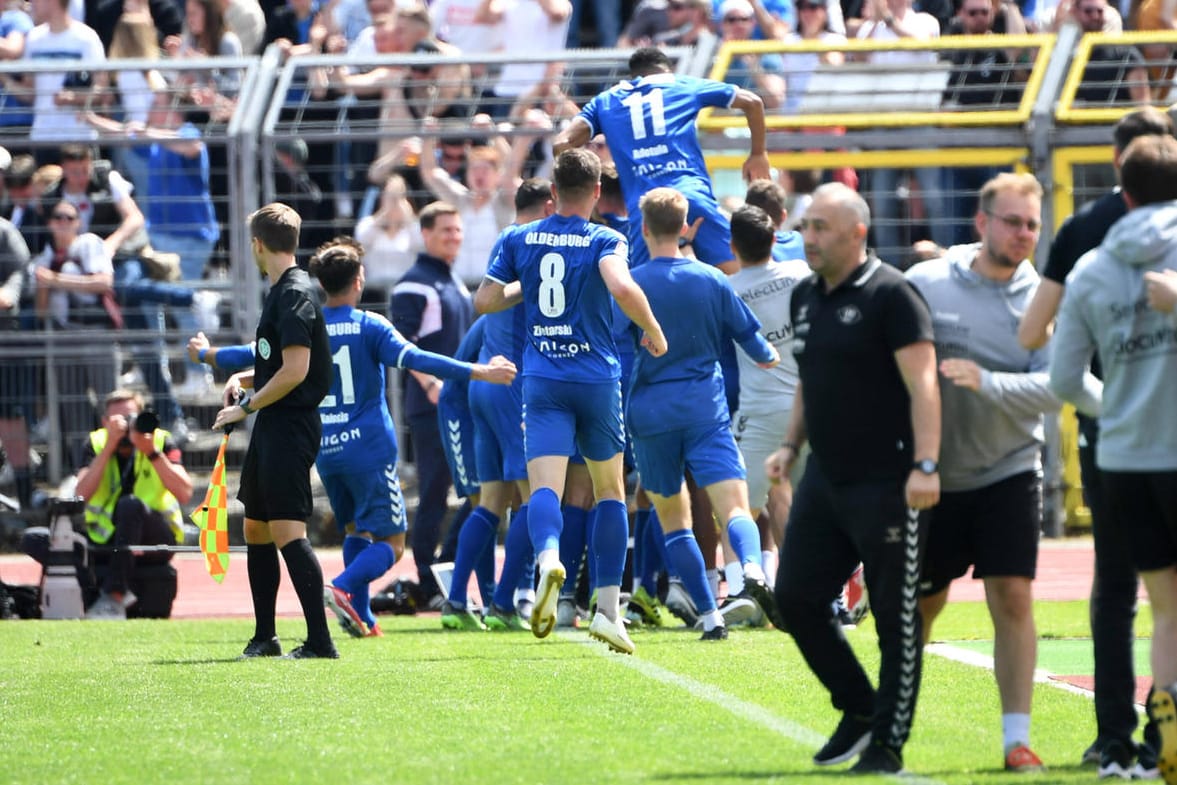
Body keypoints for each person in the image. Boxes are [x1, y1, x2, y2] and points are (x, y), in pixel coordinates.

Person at [906, 173, 1100, 772]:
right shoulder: (925, 283)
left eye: (1032, 224)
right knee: (924, 606)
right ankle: (892, 723)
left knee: (1013, 598)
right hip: (936, 474)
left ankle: (1017, 739)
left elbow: (1057, 385)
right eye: (1012, 221)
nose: (1023, 233)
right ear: (981, 222)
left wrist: (988, 382)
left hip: (1010, 470)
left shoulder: (1044, 297)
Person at [765, 182, 940, 775]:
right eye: (806, 225)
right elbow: (810, 382)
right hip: (825, 479)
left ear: (857, 233)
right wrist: (790, 446)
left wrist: (926, 464)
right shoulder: (805, 297)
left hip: (887, 482)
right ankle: (860, 708)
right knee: (793, 597)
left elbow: (925, 386)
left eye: (819, 228)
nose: (806, 237)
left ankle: (889, 743)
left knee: (895, 615)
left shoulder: (893, 295)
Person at [1019, 105, 1173, 779]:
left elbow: (1040, 346)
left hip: (1114, 443)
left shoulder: (1085, 243)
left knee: (1125, 591)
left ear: (1119, 170)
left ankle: (1116, 737)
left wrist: (1116, 407)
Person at [474, 148, 667, 654]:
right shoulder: (605, 235)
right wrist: (653, 330)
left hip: (542, 378)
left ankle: (548, 559)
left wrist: (527, 287)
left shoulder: (519, 236)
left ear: (552, 192)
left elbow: (485, 301)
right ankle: (607, 612)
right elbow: (621, 286)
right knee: (609, 493)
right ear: (597, 191)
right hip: (597, 378)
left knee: (544, 488)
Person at [304, 236, 515, 639]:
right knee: (392, 543)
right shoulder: (369, 325)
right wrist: (478, 371)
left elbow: (258, 356)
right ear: (358, 280)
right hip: (368, 448)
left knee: (356, 531)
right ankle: (344, 586)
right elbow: (417, 358)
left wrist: (213, 358)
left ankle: (363, 616)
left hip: (327, 449)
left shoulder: (310, 328)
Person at [625, 188, 780, 642]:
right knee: (734, 507)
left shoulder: (631, 284)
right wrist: (769, 357)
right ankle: (751, 568)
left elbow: (612, 342)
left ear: (644, 229)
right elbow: (754, 341)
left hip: (650, 413)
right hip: (704, 410)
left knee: (674, 519)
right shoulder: (712, 278)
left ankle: (710, 615)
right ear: (687, 226)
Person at [212, 202, 337, 660]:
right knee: (257, 529)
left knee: (287, 531)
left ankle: (321, 643)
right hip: (274, 423)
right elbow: (277, 364)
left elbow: (297, 370)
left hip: (289, 425)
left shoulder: (294, 293)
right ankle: (266, 637)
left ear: (257, 245)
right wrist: (245, 379)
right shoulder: (283, 289)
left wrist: (246, 405)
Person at [442, 178, 551, 632]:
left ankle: (455, 601)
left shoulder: (503, 246)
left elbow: (481, 312)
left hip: (484, 382)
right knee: (532, 497)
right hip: (512, 385)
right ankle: (506, 601)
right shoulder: (537, 249)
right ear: (549, 206)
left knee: (490, 503)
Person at [552, 46, 770, 272]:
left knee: (649, 293)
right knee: (738, 278)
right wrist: (758, 154)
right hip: (691, 197)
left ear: (634, 76)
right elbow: (752, 101)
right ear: (666, 70)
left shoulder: (605, 101)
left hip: (646, 212)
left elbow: (561, 144)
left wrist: (587, 194)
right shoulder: (682, 84)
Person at [21, 388, 192, 619]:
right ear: (104, 422)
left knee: (130, 505)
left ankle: (115, 596)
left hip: (153, 540)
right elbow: (80, 494)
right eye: (119, 419)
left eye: (131, 418)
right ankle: (88, 596)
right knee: (34, 538)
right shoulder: (96, 442)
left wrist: (151, 452)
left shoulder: (160, 440)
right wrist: (110, 446)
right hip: (106, 539)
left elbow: (184, 493)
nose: (126, 425)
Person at [726, 204, 809, 623]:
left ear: (732, 246)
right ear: (775, 238)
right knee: (809, 503)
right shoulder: (800, 275)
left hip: (759, 415)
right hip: (810, 407)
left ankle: (744, 584)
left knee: (736, 504)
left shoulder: (727, 288)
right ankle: (819, 591)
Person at [390, 201, 474, 609]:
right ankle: (428, 577)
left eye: (457, 230)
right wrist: (430, 384)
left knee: (478, 492)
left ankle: (443, 569)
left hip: (460, 404)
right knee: (435, 494)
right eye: (445, 230)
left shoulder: (452, 280)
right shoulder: (414, 283)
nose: (453, 237)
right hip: (433, 406)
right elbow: (401, 346)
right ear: (425, 233)